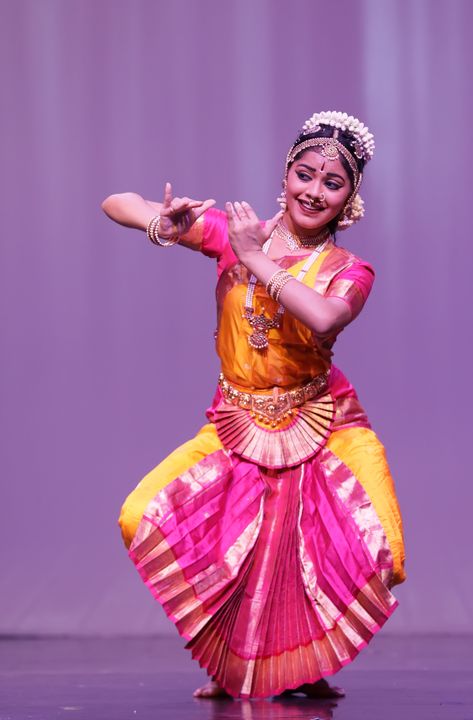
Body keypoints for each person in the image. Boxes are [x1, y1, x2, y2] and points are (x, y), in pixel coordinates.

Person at [101, 110, 406, 700]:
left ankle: (298, 664)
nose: (314, 191)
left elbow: (324, 317)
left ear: (350, 201)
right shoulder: (233, 232)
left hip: (325, 423)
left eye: (332, 183)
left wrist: (254, 255)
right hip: (237, 420)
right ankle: (238, 662)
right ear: (286, 174)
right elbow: (117, 201)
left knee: (380, 550)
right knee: (145, 515)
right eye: (305, 174)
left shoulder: (350, 270)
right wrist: (161, 223)